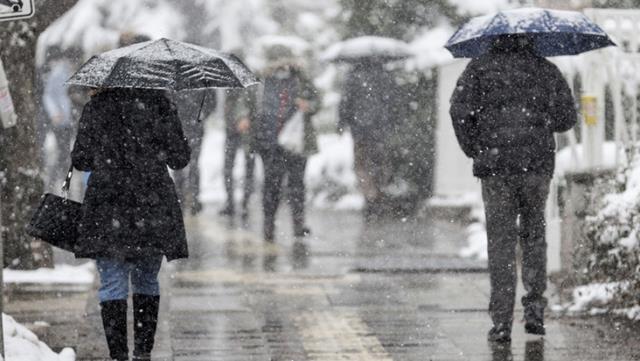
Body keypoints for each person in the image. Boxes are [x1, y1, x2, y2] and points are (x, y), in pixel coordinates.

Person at [450, 35, 577, 343]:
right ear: (529, 39)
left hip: (495, 168)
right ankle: (534, 310)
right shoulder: (546, 69)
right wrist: (540, 120)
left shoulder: (477, 69)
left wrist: (477, 149)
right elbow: (566, 119)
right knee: (534, 236)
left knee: (501, 243)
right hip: (535, 166)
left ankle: (502, 322)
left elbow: (459, 113)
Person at [71, 88, 191, 361]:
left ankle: (118, 355)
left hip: (107, 205)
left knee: (112, 283)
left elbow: (81, 159)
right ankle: (143, 352)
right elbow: (179, 159)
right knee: (147, 280)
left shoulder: (98, 105)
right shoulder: (161, 104)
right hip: (152, 205)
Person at [254, 45, 319, 243]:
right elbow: (249, 103)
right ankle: (268, 225)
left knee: (297, 184)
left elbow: (316, 99)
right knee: (271, 185)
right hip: (270, 141)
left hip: (296, 142)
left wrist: (308, 105)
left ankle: (298, 224)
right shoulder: (261, 81)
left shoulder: (301, 79)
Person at [338, 60, 397, 219]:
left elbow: (345, 102)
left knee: (362, 164)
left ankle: (370, 197)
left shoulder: (353, 76)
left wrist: (342, 122)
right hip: (380, 129)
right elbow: (393, 101)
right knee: (380, 163)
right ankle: (378, 195)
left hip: (360, 129)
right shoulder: (386, 75)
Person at [219, 87, 256, 222]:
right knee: (229, 167)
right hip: (232, 129)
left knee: (248, 166)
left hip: (247, 129)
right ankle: (231, 202)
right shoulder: (227, 81)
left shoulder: (249, 79)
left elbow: (251, 102)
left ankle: (244, 203)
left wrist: (245, 118)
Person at [42, 46, 75, 191]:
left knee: (66, 149)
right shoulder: (58, 73)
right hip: (61, 119)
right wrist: (55, 112)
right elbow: (48, 94)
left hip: (69, 119)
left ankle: (62, 179)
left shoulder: (72, 72)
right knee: (62, 150)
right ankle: (57, 181)